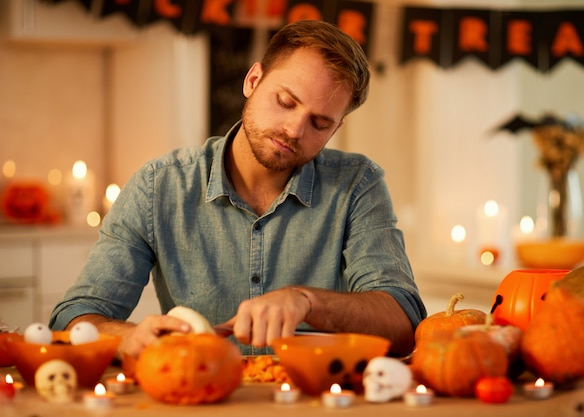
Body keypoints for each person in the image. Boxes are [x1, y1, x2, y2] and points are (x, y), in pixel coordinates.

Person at [49, 20, 427, 358]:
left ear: (336, 128)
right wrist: (128, 337)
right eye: (285, 102)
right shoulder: (158, 186)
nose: (295, 130)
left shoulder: (358, 184)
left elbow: (404, 325)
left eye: (320, 122)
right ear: (252, 81)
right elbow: (71, 320)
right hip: (198, 394)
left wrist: (307, 302)